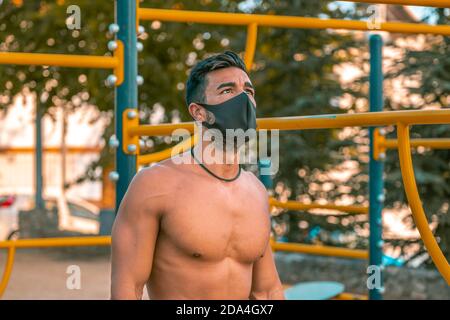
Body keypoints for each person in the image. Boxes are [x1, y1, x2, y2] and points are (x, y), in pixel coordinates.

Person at [111, 51, 284, 300]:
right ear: (199, 112)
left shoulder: (255, 191)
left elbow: (267, 291)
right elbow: (127, 290)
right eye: (227, 90)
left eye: (248, 91)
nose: (244, 99)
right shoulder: (154, 185)